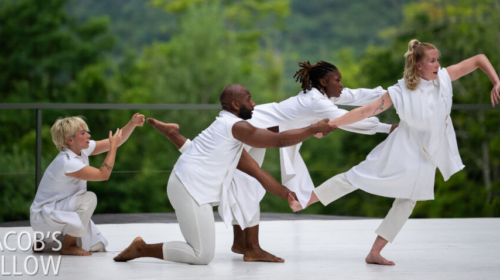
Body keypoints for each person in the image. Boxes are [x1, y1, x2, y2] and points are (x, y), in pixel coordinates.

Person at [147, 61, 397, 262]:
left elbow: (356, 96)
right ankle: (250, 247)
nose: (342, 85)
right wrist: (389, 128)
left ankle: (241, 242)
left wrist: (393, 92)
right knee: (247, 183)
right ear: (324, 82)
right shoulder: (317, 101)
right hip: (256, 129)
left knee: (238, 178)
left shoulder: (322, 95)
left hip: (261, 130)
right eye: (338, 80)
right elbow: (350, 119)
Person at [303, 40, 500, 265]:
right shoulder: (400, 91)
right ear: (418, 65)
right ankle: (304, 200)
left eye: (438, 60)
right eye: (432, 61)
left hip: (428, 152)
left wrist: (496, 81)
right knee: (358, 176)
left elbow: (478, 59)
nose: (437, 65)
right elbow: (365, 112)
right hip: (401, 146)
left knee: (408, 200)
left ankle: (375, 252)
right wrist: (331, 125)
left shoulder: (443, 78)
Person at [113, 84, 335, 265]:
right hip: (187, 188)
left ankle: (245, 244)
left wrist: (285, 193)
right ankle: (141, 248)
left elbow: (257, 172)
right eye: (250, 99)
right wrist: (312, 129)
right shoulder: (236, 127)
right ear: (236, 104)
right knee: (201, 255)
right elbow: (279, 141)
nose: (254, 103)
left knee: (244, 184)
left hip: (192, 183)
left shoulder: (231, 137)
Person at [30, 113, 145, 256]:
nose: (88, 136)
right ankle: (67, 245)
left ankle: (47, 241)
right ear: (70, 140)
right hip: (44, 216)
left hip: (55, 210)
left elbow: (114, 141)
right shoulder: (67, 162)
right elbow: (104, 174)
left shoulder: (80, 150)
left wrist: (132, 123)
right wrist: (113, 148)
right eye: (83, 133)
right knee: (89, 199)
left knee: (98, 245)